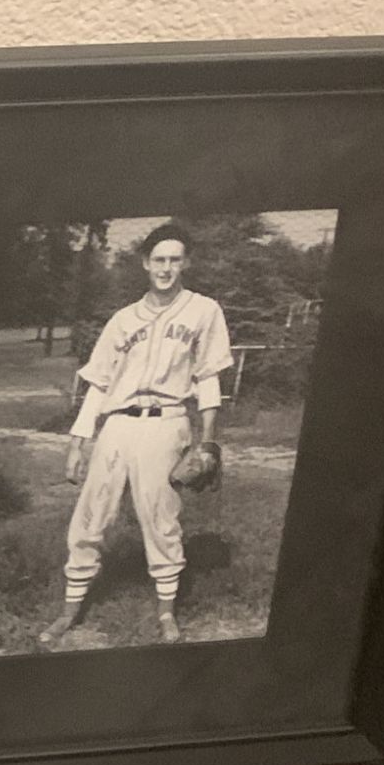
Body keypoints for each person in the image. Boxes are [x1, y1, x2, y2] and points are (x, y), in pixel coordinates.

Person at [39, 223, 234, 647]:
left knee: (160, 516)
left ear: (186, 263)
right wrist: (78, 441)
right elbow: (99, 385)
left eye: (174, 259)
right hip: (118, 424)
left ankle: (165, 609)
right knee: (93, 514)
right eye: (158, 259)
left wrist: (208, 442)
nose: (166, 268)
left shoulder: (204, 310)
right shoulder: (123, 319)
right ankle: (70, 609)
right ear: (145, 263)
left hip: (166, 422)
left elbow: (209, 379)